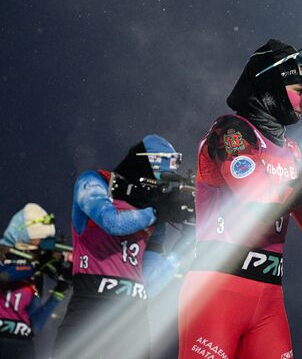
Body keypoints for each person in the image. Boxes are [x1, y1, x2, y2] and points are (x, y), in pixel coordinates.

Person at [178, 39, 302, 358]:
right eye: (299, 89)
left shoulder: (291, 151)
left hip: (269, 300)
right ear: (270, 85)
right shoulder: (230, 133)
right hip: (216, 293)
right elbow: (261, 207)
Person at [53, 134, 189, 359]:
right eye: (159, 179)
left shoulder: (152, 209)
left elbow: (151, 278)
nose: (161, 188)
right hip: (89, 309)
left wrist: (187, 241)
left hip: (132, 317)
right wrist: (156, 213)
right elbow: (111, 222)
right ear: (145, 164)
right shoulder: (95, 181)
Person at [0, 203, 70, 359]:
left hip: (21, 347)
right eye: (35, 239)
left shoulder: (34, 271)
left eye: (42, 240)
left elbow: (33, 326)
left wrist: (58, 293)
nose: (38, 245)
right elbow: (3, 277)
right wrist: (34, 266)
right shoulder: (5, 255)